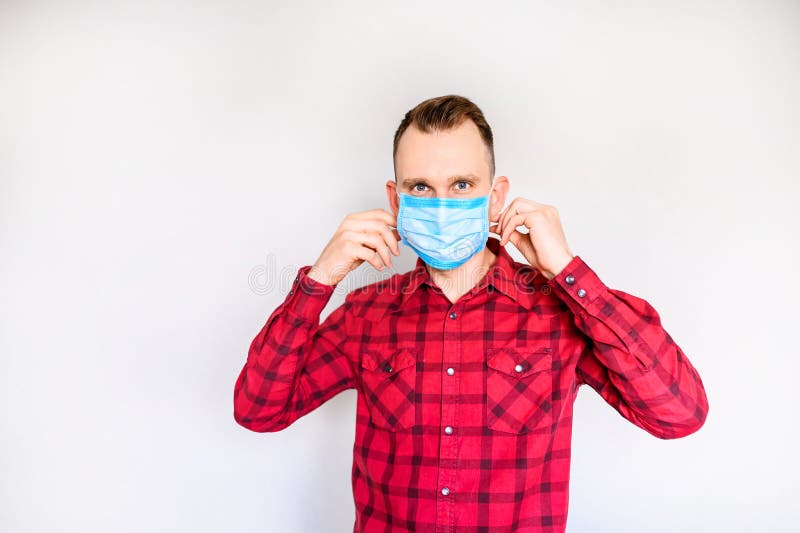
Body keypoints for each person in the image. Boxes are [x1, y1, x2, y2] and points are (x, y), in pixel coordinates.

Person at [233, 94, 709, 533]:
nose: (441, 205)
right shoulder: (366, 314)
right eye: (420, 187)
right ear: (396, 200)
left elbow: (679, 414)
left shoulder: (559, 314)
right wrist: (319, 279)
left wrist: (565, 269)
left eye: (462, 184)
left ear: (496, 196)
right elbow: (258, 411)